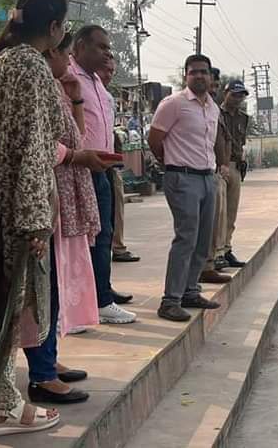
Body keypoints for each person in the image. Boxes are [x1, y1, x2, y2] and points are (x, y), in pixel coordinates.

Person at [0, 0, 68, 437]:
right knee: (6, 310)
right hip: (13, 208)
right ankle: (3, 406)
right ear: (54, 28)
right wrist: (34, 219)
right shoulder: (28, 66)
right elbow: (33, 147)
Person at [21, 31, 109, 406]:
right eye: (64, 53)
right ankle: (41, 374)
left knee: (55, 283)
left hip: (65, 191)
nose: (68, 61)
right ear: (53, 50)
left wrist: (74, 95)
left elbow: (78, 136)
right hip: (44, 194)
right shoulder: (32, 83)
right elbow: (39, 141)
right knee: (43, 287)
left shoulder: (57, 86)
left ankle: (48, 362)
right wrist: (75, 159)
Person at [149, 54, 225, 322]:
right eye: (194, 72)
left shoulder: (212, 107)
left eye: (204, 72)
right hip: (182, 178)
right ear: (185, 75)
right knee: (186, 238)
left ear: (211, 76)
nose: (200, 76)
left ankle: (190, 291)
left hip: (206, 178)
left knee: (204, 239)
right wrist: (168, 161)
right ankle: (170, 301)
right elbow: (154, 139)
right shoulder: (173, 104)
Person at [69, 25, 136, 324]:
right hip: (80, 168)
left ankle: (101, 292)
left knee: (105, 234)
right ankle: (95, 300)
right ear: (80, 46)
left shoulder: (97, 81)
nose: (108, 53)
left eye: (109, 48)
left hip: (104, 169)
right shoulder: (69, 78)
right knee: (87, 237)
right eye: (101, 47)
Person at [96, 55, 140, 264]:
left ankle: (117, 247)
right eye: (105, 69)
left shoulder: (107, 97)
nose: (108, 74)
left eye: (112, 71)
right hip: (93, 164)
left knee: (115, 211)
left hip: (111, 163)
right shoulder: (80, 90)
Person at [213, 80, 251, 268]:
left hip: (236, 165)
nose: (238, 99)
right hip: (220, 166)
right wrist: (221, 164)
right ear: (225, 93)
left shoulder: (243, 118)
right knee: (219, 212)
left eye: (241, 95)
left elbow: (240, 142)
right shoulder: (216, 114)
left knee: (231, 212)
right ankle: (217, 252)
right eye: (234, 94)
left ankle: (227, 249)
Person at [201, 68, 233, 283]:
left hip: (215, 169)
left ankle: (212, 260)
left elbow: (222, 140)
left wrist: (222, 163)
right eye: (213, 81)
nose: (215, 86)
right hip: (200, 172)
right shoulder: (184, 105)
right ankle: (204, 265)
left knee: (219, 218)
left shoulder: (213, 109)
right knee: (204, 224)